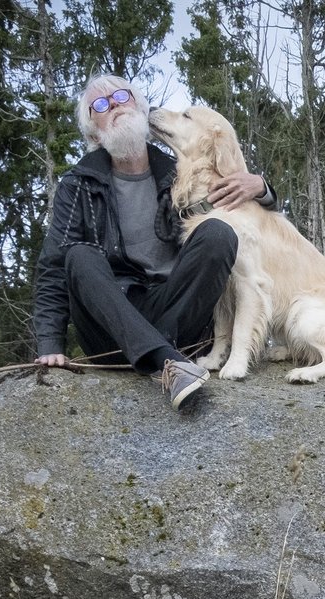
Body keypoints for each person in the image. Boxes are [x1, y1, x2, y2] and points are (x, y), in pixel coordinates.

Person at [32, 75, 276, 410]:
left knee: (218, 233)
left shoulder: (177, 172)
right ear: (94, 132)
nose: (114, 104)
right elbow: (53, 268)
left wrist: (262, 188)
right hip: (110, 321)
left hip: (177, 312)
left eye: (121, 95)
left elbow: (243, 212)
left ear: (140, 106)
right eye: (100, 105)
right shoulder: (77, 185)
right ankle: (168, 362)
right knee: (78, 257)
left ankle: (163, 352)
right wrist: (49, 341)